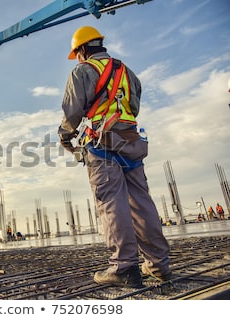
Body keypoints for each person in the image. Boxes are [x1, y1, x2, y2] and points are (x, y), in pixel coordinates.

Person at [58, 26, 171, 287]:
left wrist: (64, 136)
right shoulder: (127, 72)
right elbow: (133, 107)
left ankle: (124, 267)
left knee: (112, 202)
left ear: (83, 49)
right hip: (131, 140)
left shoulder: (83, 71)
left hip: (101, 144)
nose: (76, 58)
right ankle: (159, 265)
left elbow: (72, 112)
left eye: (76, 53)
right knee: (141, 202)